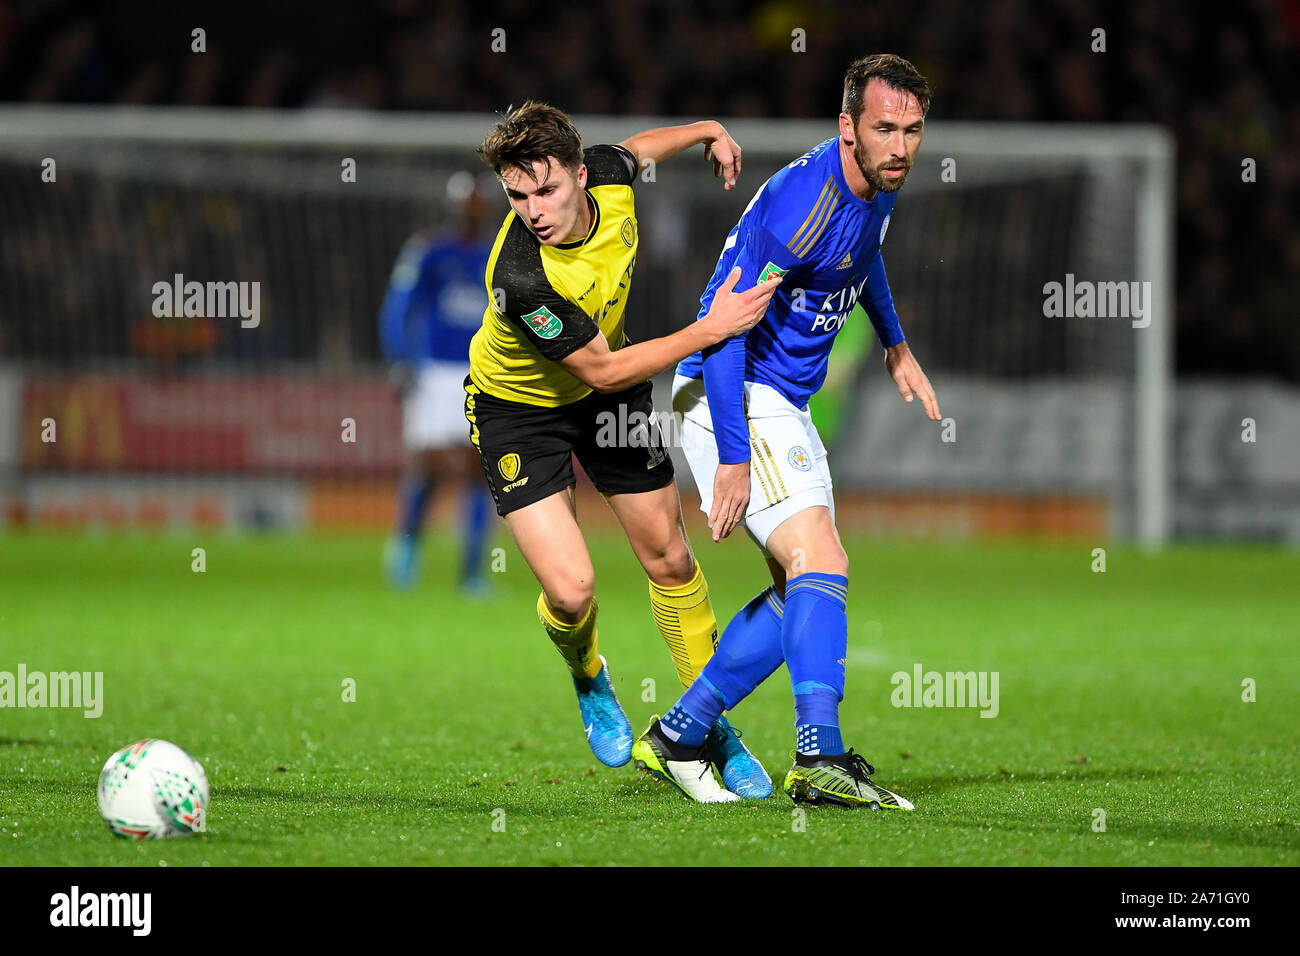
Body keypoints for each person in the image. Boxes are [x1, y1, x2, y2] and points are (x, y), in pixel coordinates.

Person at [633, 54, 941, 808]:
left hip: (778, 398)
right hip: (730, 387)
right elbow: (727, 330)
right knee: (820, 556)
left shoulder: (875, 185)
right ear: (848, 128)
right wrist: (733, 459)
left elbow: (863, 259)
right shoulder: (803, 201)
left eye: (912, 130)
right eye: (884, 129)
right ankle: (818, 758)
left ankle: (678, 734)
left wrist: (895, 342)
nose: (900, 146)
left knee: (796, 583)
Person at [465, 101, 781, 799]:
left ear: (581, 175)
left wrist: (707, 130)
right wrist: (713, 327)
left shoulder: (608, 174)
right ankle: (588, 675)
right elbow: (603, 369)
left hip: (609, 395)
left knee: (670, 556)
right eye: (516, 196)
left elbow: (639, 147)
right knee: (572, 592)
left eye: (544, 190)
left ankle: (706, 727)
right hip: (522, 414)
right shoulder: (523, 279)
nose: (532, 210)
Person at [380, 173, 495, 595]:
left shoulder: (495, 255)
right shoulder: (427, 251)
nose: (471, 211)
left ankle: (472, 573)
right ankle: (405, 551)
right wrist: (398, 358)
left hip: (480, 375)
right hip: (432, 373)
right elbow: (398, 307)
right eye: (465, 203)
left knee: (480, 472)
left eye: (477, 203)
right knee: (427, 469)